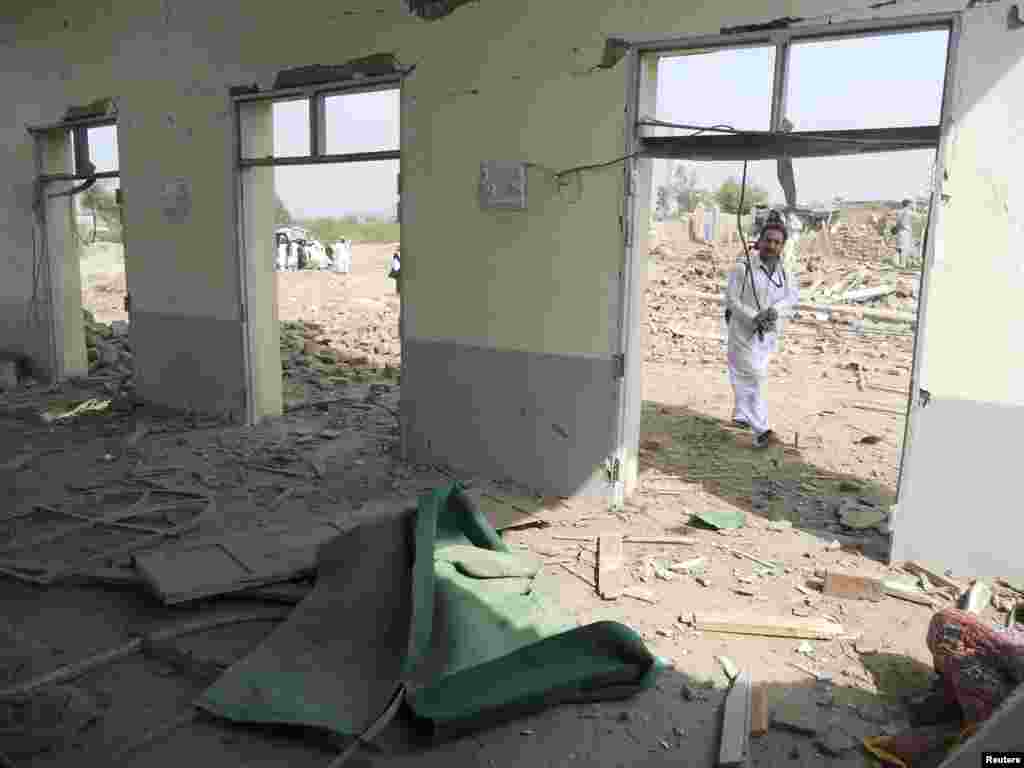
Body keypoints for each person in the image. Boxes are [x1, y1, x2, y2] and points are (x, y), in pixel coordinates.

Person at [724, 219, 799, 448]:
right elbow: (732, 300)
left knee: (753, 376)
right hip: (743, 332)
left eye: (777, 242)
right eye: (768, 240)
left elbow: (791, 297)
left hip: (768, 335)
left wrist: (773, 312)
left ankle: (741, 416)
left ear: (782, 246)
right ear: (759, 241)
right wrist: (753, 316)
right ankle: (763, 431)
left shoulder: (784, 273)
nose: (772, 246)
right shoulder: (742, 267)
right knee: (753, 377)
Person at [892, 198, 914, 267]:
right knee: (904, 249)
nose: (912, 205)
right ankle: (902, 264)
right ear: (908, 204)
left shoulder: (899, 211)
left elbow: (898, 222)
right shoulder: (908, 212)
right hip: (905, 231)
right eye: (911, 203)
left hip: (899, 231)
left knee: (898, 248)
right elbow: (903, 223)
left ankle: (896, 263)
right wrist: (907, 228)